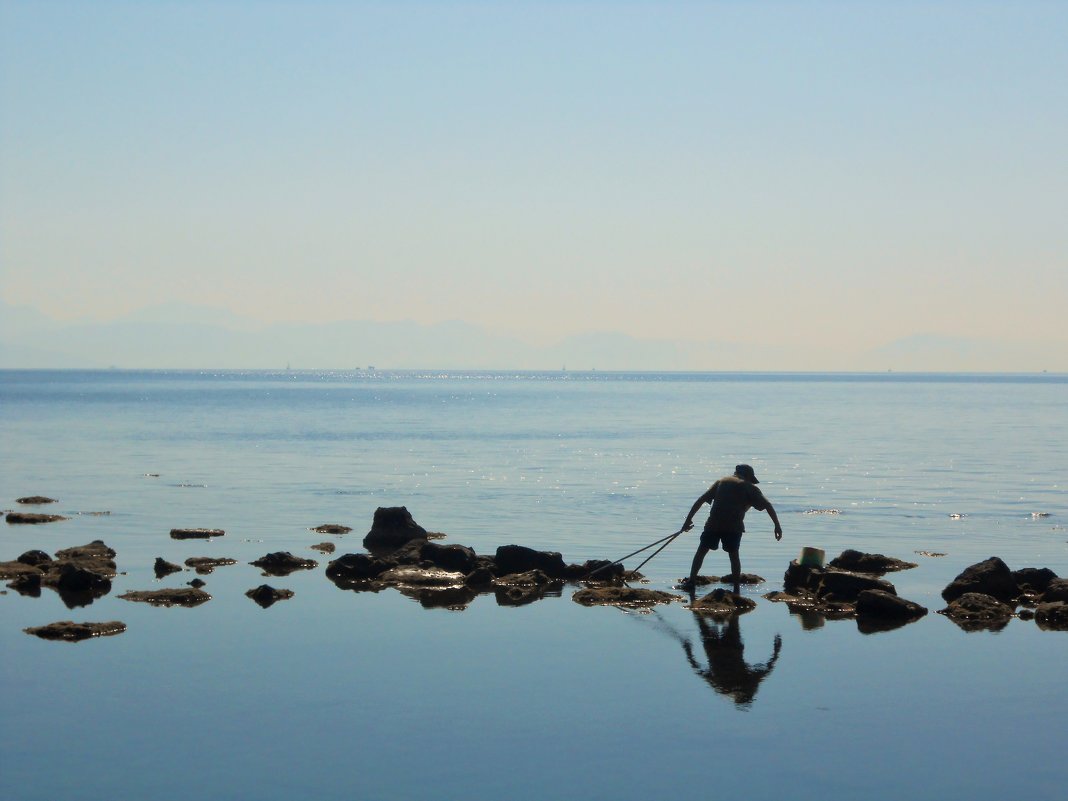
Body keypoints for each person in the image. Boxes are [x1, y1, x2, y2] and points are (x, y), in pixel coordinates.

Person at [680, 464, 782, 594]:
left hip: (713, 524)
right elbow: (767, 505)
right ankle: (736, 589)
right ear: (748, 477)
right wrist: (777, 525)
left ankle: (691, 581)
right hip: (733, 527)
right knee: (734, 556)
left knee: (702, 551)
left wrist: (688, 520)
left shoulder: (722, 481)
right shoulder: (749, 487)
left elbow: (701, 500)